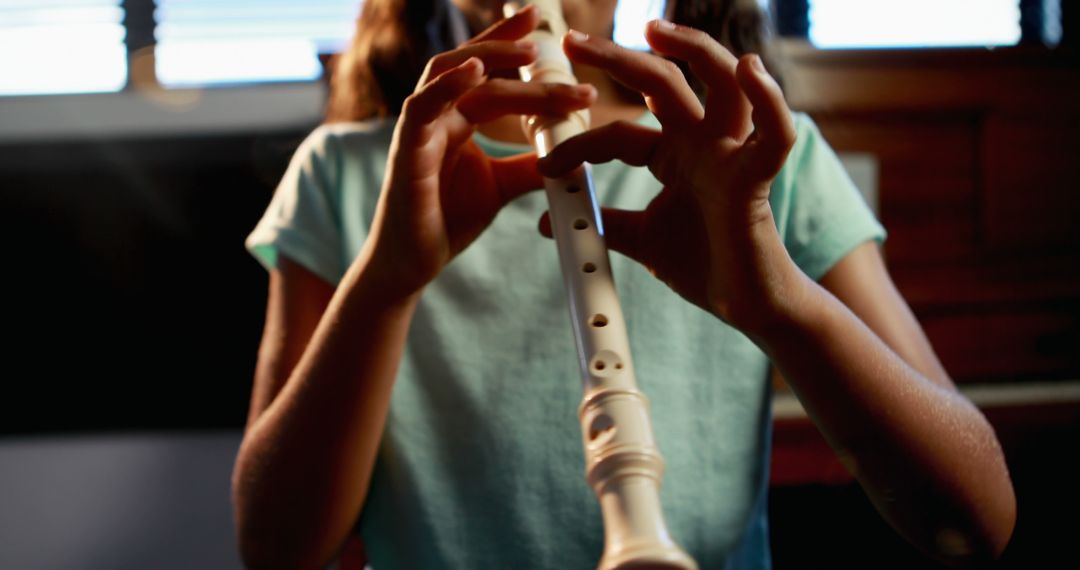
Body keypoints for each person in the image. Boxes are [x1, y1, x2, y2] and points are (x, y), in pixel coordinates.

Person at [232, 1, 1016, 568]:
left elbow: (976, 518)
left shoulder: (749, 162)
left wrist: (777, 300)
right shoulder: (343, 172)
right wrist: (383, 283)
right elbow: (274, 546)